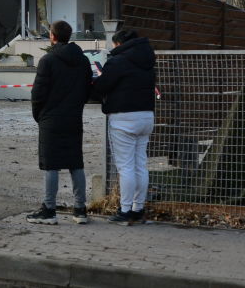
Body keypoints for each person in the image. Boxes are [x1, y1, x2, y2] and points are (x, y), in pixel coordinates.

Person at [26, 20, 93, 225]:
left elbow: (38, 92)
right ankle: (80, 209)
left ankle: (49, 209)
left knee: (51, 164)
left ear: (53, 37)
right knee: (75, 161)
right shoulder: (83, 61)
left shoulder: (48, 60)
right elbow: (87, 88)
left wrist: (39, 114)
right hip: (73, 116)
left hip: (51, 118)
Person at [92, 28, 156, 225]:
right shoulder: (148, 60)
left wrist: (97, 82)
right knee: (140, 164)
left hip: (123, 118)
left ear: (119, 43)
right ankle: (138, 209)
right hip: (146, 115)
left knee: (126, 166)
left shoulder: (118, 61)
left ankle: (125, 210)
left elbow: (102, 86)